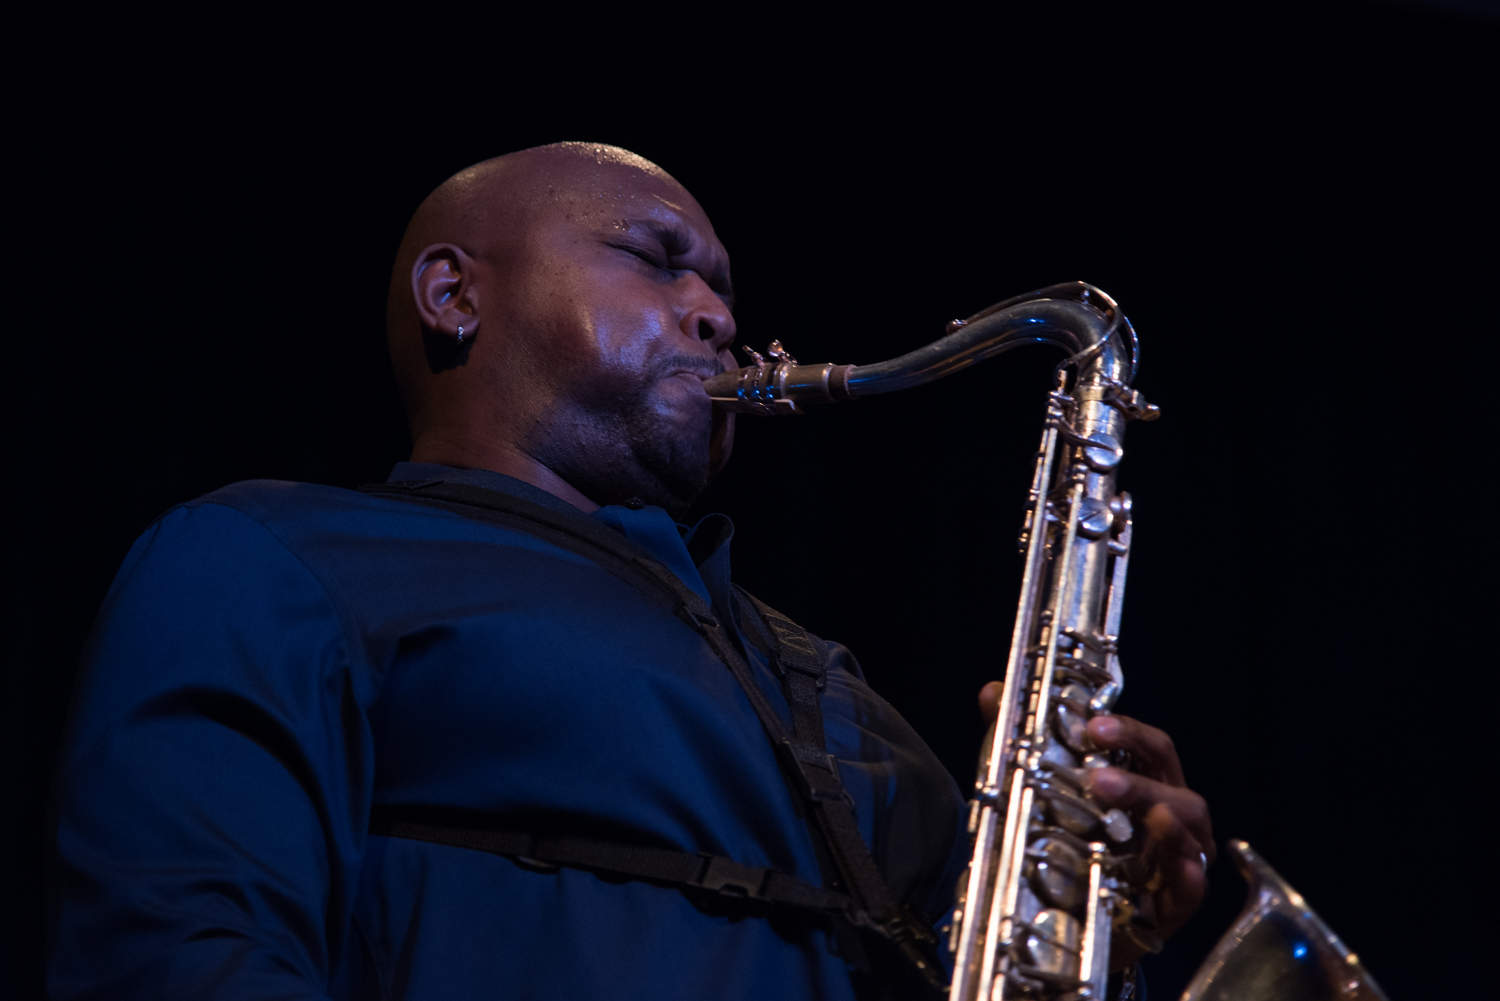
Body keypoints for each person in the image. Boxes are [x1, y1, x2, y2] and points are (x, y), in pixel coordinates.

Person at [47, 143, 1214, 999]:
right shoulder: (276, 555)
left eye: (723, 291)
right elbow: (180, 955)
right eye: (658, 262)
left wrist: (1109, 915)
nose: (714, 315)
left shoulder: (826, 681)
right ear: (455, 295)